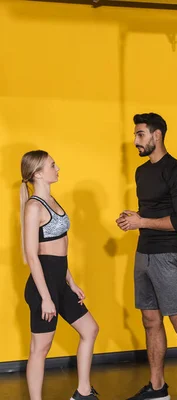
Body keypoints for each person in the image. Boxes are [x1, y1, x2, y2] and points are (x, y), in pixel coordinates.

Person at [116, 113, 177, 400]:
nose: (135, 140)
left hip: (170, 257)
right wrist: (133, 219)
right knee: (150, 321)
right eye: (136, 134)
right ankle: (157, 388)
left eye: (140, 134)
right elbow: (148, 214)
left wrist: (141, 222)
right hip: (144, 254)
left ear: (157, 136)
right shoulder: (141, 172)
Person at [20, 150, 100, 400]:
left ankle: (83, 391)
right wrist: (46, 297)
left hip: (60, 282)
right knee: (40, 349)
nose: (58, 168)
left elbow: (59, 251)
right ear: (39, 173)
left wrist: (72, 283)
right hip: (43, 287)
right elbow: (33, 256)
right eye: (53, 165)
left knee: (90, 329)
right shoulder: (34, 207)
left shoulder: (53, 201)